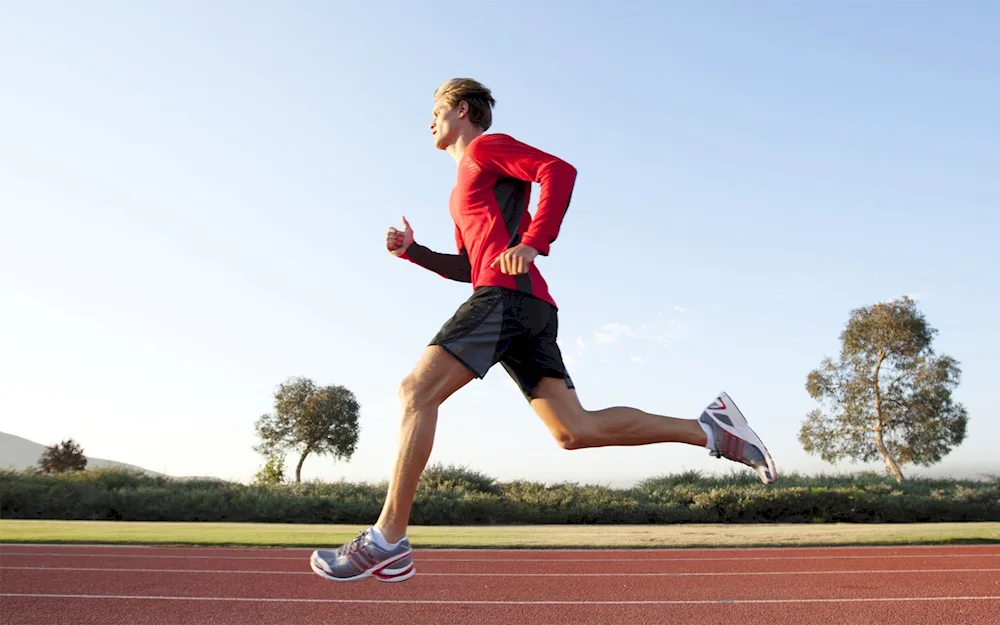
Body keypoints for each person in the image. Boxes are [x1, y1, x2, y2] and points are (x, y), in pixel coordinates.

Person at [309, 78, 777, 584]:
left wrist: (535, 242)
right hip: (523, 304)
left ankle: (388, 539)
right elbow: (470, 265)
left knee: (415, 392)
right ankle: (710, 430)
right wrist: (412, 252)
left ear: (461, 111)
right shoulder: (459, 192)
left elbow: (558, 170)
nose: (430, 122)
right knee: (573, 431)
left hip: (508, 298)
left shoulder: (486, 149)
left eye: (436, 112)